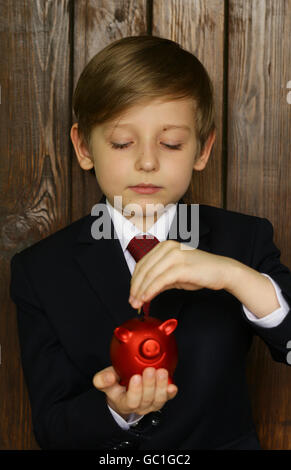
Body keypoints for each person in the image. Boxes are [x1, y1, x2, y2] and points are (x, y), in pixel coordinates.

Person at [10, 35, 291, 450]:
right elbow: (52, 427)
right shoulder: (40, 270)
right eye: (123, 143)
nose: (147, 162)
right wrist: (117, 410)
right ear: (84, 147)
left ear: (203, 148)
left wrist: (233, 275)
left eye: (171, 143)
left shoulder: (242, 239)